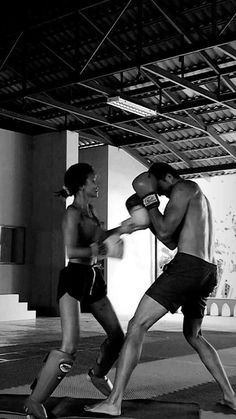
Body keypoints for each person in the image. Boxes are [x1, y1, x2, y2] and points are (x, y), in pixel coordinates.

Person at [85, 162, 236, 416]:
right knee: (194, 335)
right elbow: (169, 238)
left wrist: (148, 201)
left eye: (161, 187)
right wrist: (144, 213)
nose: (163, 194)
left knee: (136, 325)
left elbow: (165, 228)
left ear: (169, 176)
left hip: (188, 267)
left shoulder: (186, 186)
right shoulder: (196, 199)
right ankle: (230, 395)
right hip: (206, 271)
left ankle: (114, 402)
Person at [24, 163, 126, 419]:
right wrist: (98, 250)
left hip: (93, 277)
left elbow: (100, 236)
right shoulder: (72, 214)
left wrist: (123, 229)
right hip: (74, 277)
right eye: (94, 179)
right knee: (69, 347)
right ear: (82, 184)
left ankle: (98, 374)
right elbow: (71, 251)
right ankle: (34, 402)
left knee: (117, 336)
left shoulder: (90, 211)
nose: (97, 182)